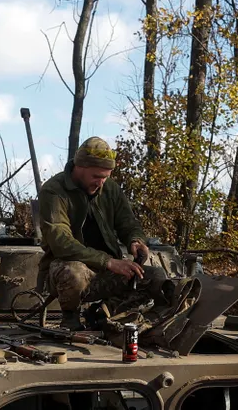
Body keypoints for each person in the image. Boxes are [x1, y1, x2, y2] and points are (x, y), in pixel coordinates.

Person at [37, 136, 160, 330]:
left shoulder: (109, 188)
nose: (101, 182)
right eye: (96, 176)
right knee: (73, 272)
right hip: (68, 272)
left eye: (106, 176)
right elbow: (61, 243)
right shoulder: (53, 191)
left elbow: (128, 223)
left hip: (107, 271)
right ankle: (70, 319)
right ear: (80, 167)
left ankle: (104, 312)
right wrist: (108, 262)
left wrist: (135, 240)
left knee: (156, 277)